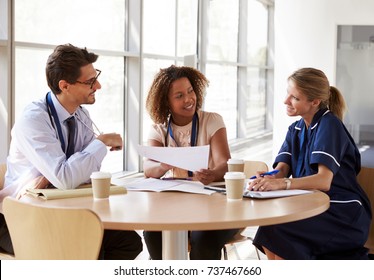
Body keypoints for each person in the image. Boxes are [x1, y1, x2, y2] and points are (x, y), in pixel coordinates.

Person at [0, 43, 142, 260]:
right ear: (64, 86)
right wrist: (100, 143)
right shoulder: (33, 120)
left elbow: (82, 173)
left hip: (60, 206)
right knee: (87, 246)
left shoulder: (80, 116)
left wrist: (54, 177)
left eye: (96, 77)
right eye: (90, 81)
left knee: (129, 242)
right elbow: (67, 178)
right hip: (18, 216)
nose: (99, 86)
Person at [249, 67, 372, 260]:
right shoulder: (296, 129)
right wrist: (266, 179)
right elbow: (281, 170)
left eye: (294, 98)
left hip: (341, 210)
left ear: (315, 102)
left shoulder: (329, 125)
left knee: (280, 231)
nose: (285, 101)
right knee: (269, 227)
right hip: (312, 204)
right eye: (287, 94)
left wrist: (282, 184)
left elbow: (324, 181)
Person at [143, 65, 239, 260]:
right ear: (166, 102)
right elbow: (148, 169)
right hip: (179, 206)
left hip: (216, 206)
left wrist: (211, 174)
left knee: (203, 238)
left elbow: (224, 164)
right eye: (179, 96)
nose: (188, 99)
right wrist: (164, 164)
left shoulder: (212, 121)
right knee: (152, 232)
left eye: (190, 91)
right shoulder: (159, 129)